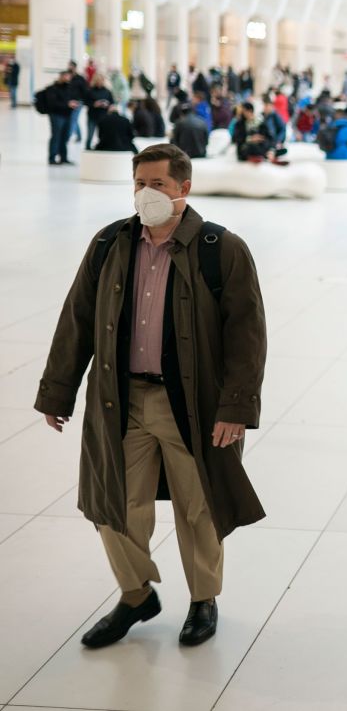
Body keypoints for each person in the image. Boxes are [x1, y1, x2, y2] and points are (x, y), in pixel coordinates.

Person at [34, 143, 266, 650]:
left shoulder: (220, 248)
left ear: (184, 188)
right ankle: (136, 595)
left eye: (157, 184)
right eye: (139, 183)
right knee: (114, 503)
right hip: (122, 399)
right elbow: (76, 319)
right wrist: (58, 390)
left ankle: (203, 600)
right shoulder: (109, 244)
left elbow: (247, 338)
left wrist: (235, 409)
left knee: (197, 505)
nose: (146, 193)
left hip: (192, 403)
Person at [36, 70, 79, 165]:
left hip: (67, 115)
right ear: (61, 76)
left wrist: (73, 103)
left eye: (69, 76)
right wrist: (67, 104)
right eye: (66, 76)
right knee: (56, 136)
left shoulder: (69, 88)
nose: (68, 78)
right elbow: (53, 103)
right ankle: (52, 158)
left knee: (65, 137)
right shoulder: (53, 88)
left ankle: (63, 157)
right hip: (56, 115)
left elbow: (73, 98)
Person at [83, 73, 115, 150]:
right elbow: (85, 102)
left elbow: (112, 103)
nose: (99, 82)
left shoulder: (107, 91)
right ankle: (88, 147)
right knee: (90, 134)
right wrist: (94, 104)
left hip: (103, 116)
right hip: (92, 116)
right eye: (98, 81)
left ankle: (102, 147)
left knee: (103, 134)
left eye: (101, 80)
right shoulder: (90, 91)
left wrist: (107, 104)